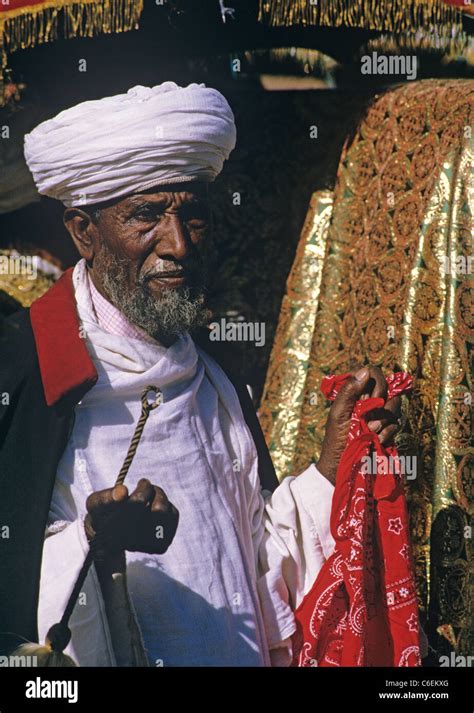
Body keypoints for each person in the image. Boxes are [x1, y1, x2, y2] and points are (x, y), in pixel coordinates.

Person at [0, 82, 401, 666]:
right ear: (83, 231)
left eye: (193, 216)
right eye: (145, 217)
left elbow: (253, 572)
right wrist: (91, 547)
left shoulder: (213, 373)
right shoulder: (26, 376)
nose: (179, 244)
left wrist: (327, 472)